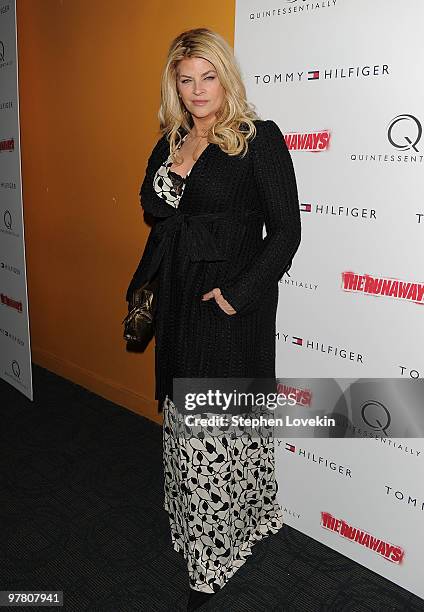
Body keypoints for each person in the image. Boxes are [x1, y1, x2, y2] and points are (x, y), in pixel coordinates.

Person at [125, 27, 301, 611]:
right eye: (186, 79)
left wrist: (239, 295)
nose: (198, 91)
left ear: (226, 77)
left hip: (227, 305)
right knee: (187, 419)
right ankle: (212, 523)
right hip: (179, 296)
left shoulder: (259, 139)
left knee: (219, 425)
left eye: (208, 77)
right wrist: (177, 163)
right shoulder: (171, 139)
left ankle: (216, 553)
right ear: (173, 84)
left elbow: (287, 232)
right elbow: (155, 208)